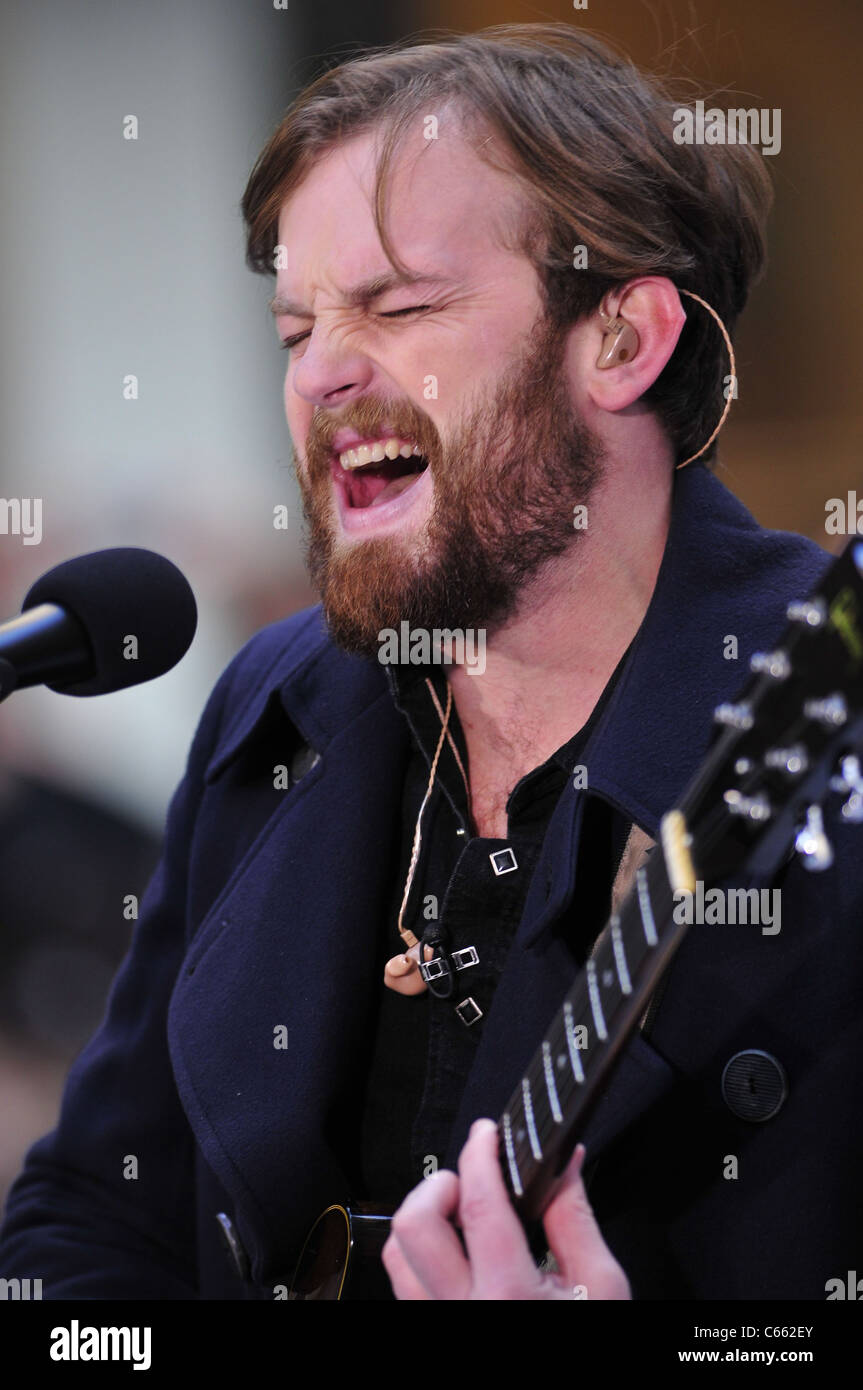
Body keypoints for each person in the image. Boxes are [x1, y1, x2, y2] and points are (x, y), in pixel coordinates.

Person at [1, 23, 859, 1302]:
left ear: (621, 340)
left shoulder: (815, 703)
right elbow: (91, 1212)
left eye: (400, 308)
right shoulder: (281, 706)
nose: (324, 375)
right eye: (296, 331)